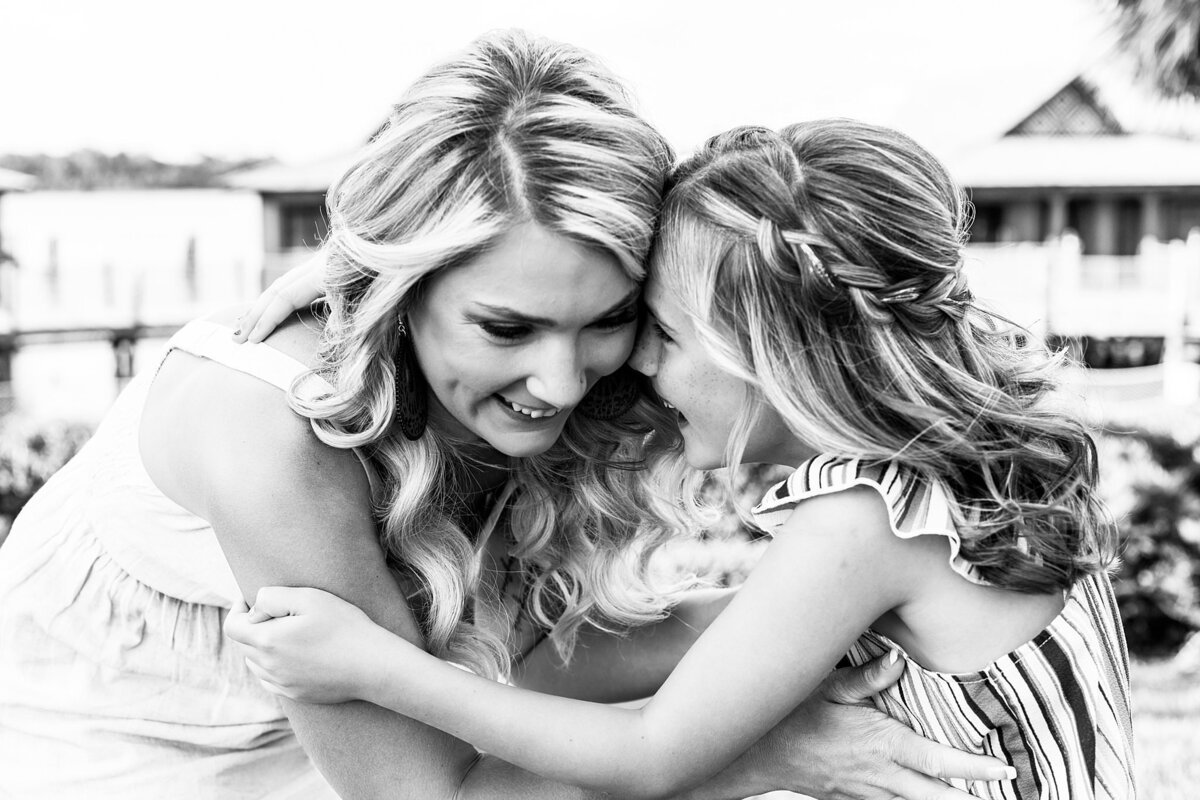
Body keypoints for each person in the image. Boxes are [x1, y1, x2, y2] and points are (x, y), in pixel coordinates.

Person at [0, 34, 1005, 800]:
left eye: (611, 320)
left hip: (363, 729)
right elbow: (425, 790)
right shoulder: (272, 435)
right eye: (506, 324)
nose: (563, 382)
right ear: (401, 284)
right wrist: (764, 750)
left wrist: (833, 613)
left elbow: (501, 655)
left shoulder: (511, 370)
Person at [226, 120, 1137, 800]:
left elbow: (650, 756)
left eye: (662, 332)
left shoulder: (858, 526)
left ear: (768, 351)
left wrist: (373, 669)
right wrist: (387, 285)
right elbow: (550, 673)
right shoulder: (976, 466)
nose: (640, 366)